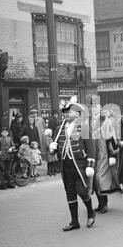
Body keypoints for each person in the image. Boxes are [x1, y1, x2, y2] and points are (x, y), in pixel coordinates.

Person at [49, 99, 96, 231]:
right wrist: (53, 148)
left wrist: (90, 165)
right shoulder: (59, 128)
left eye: (69, 112)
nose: (66, 114)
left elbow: (91, 148)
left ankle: (90, 212)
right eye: (65, 112)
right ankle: (74, 221)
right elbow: (57, 148)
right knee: (69, 192)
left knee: (82, 191)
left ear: (77, 114)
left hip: (79, 164)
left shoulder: (84, 127)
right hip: (66, 165)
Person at [93, 108, 121, 214]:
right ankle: (100, 203)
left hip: (103, 152)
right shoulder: (88, 121)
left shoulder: (106, 120)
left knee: (100, 177)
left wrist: (112, 153)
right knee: (94, 181)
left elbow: (111, 137)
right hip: (93, 154)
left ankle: (104, 203)